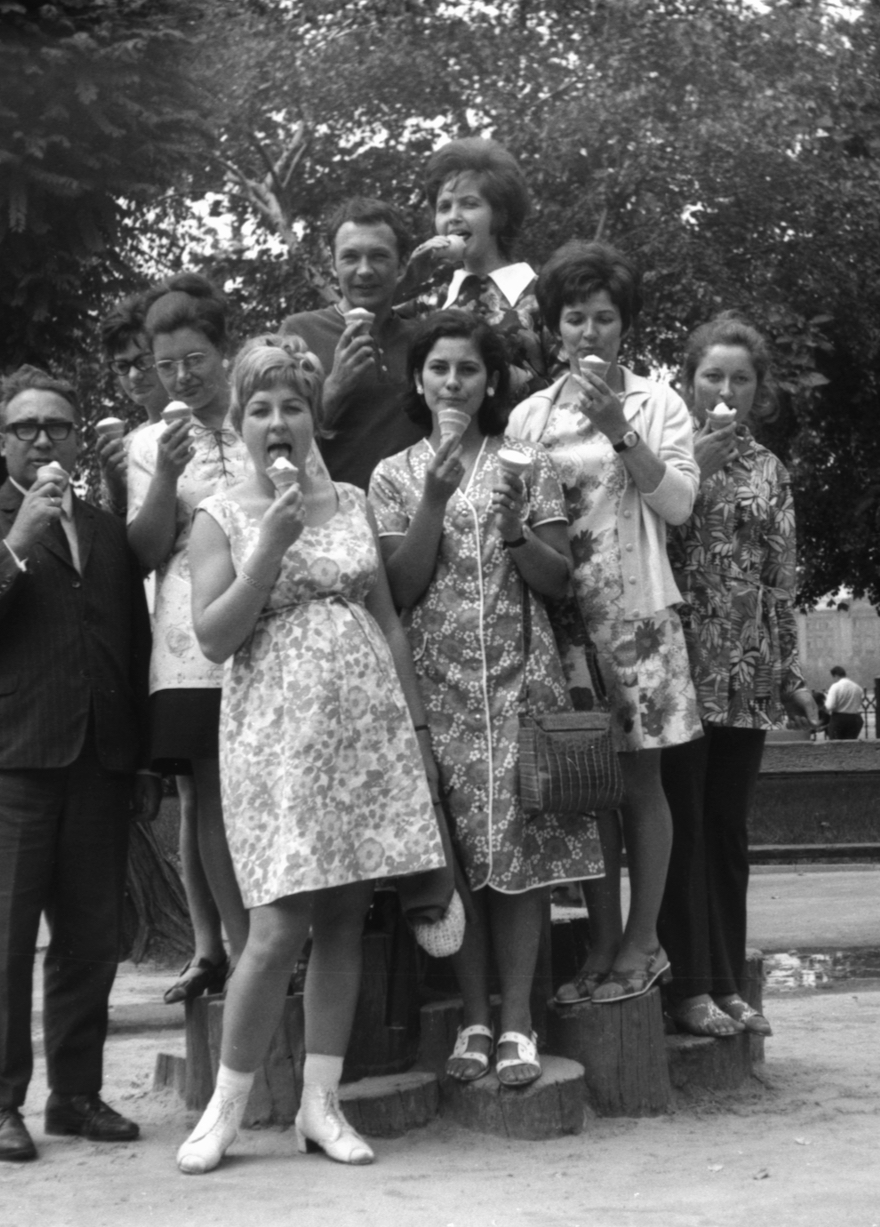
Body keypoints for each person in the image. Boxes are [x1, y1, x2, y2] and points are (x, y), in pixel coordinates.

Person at [175, 335, 450, 1174]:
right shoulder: (220, 515)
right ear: (240, 422)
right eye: (259, 408)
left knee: (344, 920)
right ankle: (225, 1108)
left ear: (312, 417)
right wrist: (268, 545)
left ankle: (320, 1106)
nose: (277, 421)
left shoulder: (354, 499)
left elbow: (388, 621)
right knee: (276, 925)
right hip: (276, 743)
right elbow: (214, 636)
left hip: (366, 737)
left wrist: (416, 733)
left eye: (292, 404)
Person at [370, 310, 603, 1087]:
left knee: (520, 856)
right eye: (438, 368)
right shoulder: (393, 475)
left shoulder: (525, 462)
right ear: (418, 379)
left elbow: (559, 580)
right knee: (461, 856)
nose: (453, 382)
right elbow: (398, 589)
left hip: (521, 685)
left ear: (492, 379)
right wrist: (434, 501)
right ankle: (473, 1018)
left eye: (468, 368)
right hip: (438, 692)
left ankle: (517, 1022)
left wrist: (512, 530)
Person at [0, 366, 153, 1163]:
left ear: (77, 437)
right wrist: (18, 542)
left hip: (99, 761)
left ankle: (76, 1095)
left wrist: (141, 754)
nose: (43, 439)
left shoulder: (106, 531)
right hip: (5, 763)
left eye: (57, 425)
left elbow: (131, 642)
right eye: (25, 427)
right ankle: (0, 1104)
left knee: (91, 941)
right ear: (1, 441)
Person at [507, 240, 702, 1005]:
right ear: (554, 327)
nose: (589, 332)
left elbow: (678, 505)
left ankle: (643, 940)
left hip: (637, 617)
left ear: (626, 324)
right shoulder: (529, 414)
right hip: (562, 622)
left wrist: (621, 428)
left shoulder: (658, 403)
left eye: (603, 318)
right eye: (574, 319)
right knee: (587, 785)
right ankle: (599, 940)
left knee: (641, 780)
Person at [658, 316, 822, 1039]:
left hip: (746, 673)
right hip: (675, 670)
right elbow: (640, 540)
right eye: (712, 376)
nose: (726, 390)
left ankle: (728, 984)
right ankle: (689, 987)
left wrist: (789, 673)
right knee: (682, 829)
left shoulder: (770, 471)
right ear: (688, 381)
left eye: (741, 378)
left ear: (760, 390)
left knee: (726, 831)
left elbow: (781, 579)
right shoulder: (663, 455)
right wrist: (689, 464)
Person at [126, 272, 250, 1004]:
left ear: (223, 350)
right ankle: (241, 948)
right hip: (189, 641)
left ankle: (276, 938)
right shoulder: (149, 443)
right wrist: (165, 476)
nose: (181, 376)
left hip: (263, 622)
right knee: (207, 791)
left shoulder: (263, 415)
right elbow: (143, 550)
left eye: (195, 359)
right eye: (166, 364)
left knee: (258, 786)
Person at [280, 198, 426, 488]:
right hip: (333, 508)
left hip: (416, 507)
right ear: (332, 263)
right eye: (350, 257)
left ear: (401, 264)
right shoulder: (298, 333)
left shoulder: (423, 339)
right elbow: (275, 439)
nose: (364, 270)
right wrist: (334, 387)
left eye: (379, 256)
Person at [407, 137, 550, 396]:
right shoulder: (430, 300)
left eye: (469, 204)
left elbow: (569, 387)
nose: (453, 217)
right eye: (444, 207)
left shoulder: (544, 295)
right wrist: (410, 279)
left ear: (500, 215)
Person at [94, 287, 167, 516]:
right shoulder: (125, 448)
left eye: (143, 361)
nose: (134, 375)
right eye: (123, 366)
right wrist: (117, 491)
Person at [827, 666, 865, 740]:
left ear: (836, 676)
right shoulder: (857, 688)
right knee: (850, 743)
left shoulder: (835, 687)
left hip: (838, 719)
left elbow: (830, 706)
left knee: (835, 743)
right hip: (854, 719)